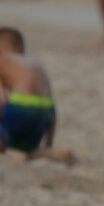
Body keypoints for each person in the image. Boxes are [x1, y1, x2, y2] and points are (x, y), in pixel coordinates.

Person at [0, 27, 75, 165]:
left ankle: (7, 151)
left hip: (20, 113)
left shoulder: (2, 61)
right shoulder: (35, 64)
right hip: (44, 118)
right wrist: (49, 142)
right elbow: (52, 108)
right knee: (22, 145)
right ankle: (46, 152)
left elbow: (2, 100)